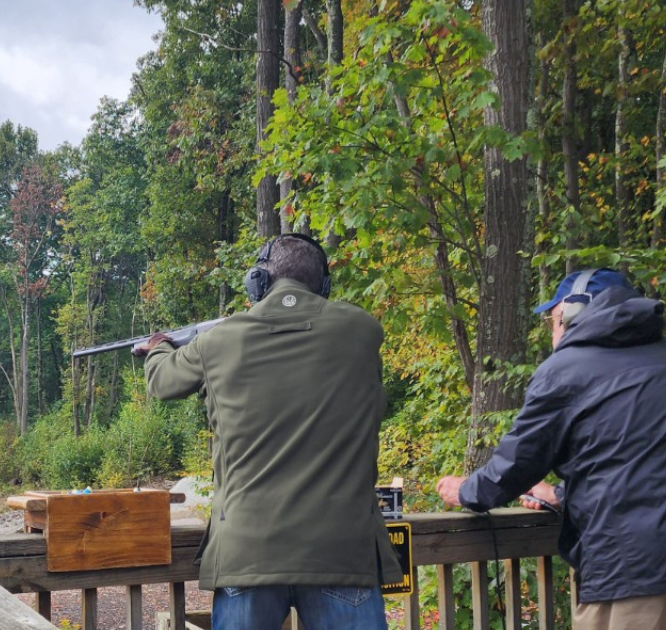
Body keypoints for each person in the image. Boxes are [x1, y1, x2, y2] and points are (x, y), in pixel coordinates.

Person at [134, 234, 402, 630]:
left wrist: (157, 347)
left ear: (257, 281)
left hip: (247, 554)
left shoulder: (217, 341)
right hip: (343, 553)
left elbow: (161, 382)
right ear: (324, 285)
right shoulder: (363, 332)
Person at [436, 268, 666, 630]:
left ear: (571, 313)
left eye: (552, 319)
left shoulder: (567, 369)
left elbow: (515, 464)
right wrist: (563, 494)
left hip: (633, 572)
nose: (551, 329)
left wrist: (465, 490)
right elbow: (637, 460)